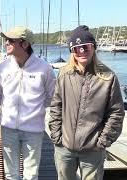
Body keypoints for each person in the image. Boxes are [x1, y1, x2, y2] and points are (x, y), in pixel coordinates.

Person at [49, 25, 125, 180]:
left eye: (86, 46)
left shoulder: (108, 78)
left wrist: (103, 141)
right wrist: (57, 136)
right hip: (65, 147)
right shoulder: (64, 75)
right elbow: (56, 106)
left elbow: (116, 113)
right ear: (72, 51)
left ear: (93, 47)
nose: (82, 51)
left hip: (93, 149)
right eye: (77, 48)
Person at [0, 26, 56, 180]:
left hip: (34, 129)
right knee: (11, 174)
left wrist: (35, 110)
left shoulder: (44, 68)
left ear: (25, 44)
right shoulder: (2, 68)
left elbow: (51, 96)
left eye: (11, 40)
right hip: (8, 127)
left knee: (31, 174)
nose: (6, 43)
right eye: (6, 39)